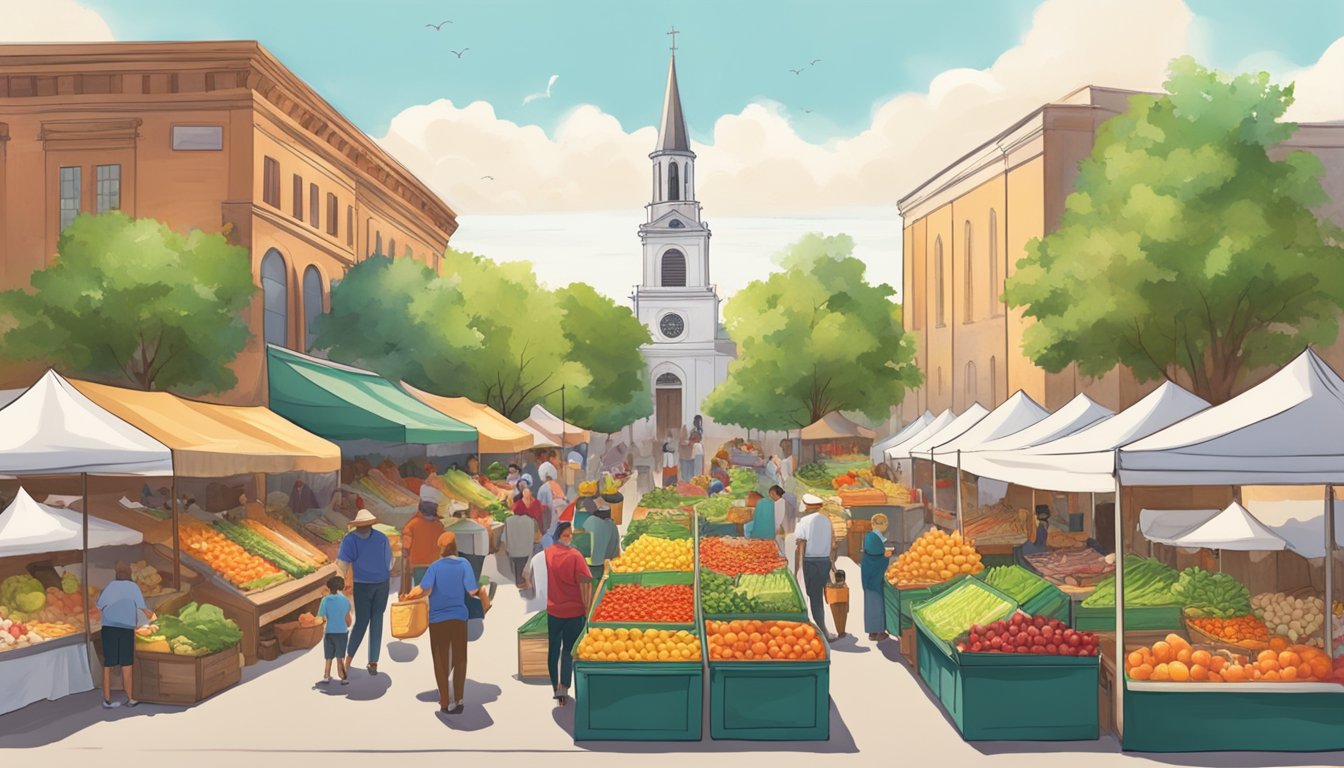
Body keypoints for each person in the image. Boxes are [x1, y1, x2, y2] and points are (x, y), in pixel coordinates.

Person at [402, 532, 481, 715]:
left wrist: (408, 596)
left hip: (438, 620)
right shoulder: (464, 564)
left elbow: (423, 589)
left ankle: (445, 701)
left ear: (441, 549)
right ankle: (459, 700)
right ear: (455, 547)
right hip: (459, 618)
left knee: (440, 660)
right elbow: (472, 591)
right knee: (460, 658)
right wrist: (482, 595)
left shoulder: (435, 567)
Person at [337, 509, 394, 676]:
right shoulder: (382, 538)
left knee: (361, 622)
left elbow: (342, 565)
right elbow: (389, 562)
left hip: (362, 586)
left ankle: (348, 661)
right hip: (382, 584)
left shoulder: (350, 540)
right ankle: (373, 662)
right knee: (377, 620)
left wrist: (338, 587)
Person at [545, 522, 592, 706]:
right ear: (559, 535)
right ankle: (564, 686)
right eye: (566, 535)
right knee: (568, 650)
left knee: (553, 649)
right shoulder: (575, 556)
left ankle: (555, 688)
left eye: (570, 534)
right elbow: (586, 581)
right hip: (574, 610)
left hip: (554, 609)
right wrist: (587, 608)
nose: (570, 537)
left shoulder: (548, 552)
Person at [96, 562, 155, 708]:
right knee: (126, 664)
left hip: (108, 628)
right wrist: (154, 618)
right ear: (129, 575)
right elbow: (143, 608)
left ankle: (107, 699)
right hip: (126, 628)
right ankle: (130, 698)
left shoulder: (110, 586)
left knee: (108, 664)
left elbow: (99, 606)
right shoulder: (133, 587)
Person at [794, 494, 836, 639]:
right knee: (818, 596)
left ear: (807, 506)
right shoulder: (827, 521)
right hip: (824, 561)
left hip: (810, 562)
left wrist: (797, 568)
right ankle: (821, 628)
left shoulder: (804, 521)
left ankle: (818, 631)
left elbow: (800, 544)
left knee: (809, 596)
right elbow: (832, 544)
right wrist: (833, 565)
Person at [862, 514, 894, 641]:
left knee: (870, 602)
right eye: (882, 523)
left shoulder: (871, 536)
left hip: (868, 574)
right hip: (874, 576)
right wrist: (885, 556)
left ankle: (872, 631)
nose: (884, 526)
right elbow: (875, 555)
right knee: (877, 602)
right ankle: (879, 631)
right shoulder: (874, 537)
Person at [317, 575, 353, 685]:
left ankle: (326, 676)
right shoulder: (345, 601)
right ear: (341, 588)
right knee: (340, 656)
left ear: (329, 588)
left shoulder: (324, 600)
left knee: (328, 656)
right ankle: (343, 677)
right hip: (341, 632)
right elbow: (348, 620)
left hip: (329, 632)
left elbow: (321, 617)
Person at [402, 499, 446, 583]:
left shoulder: (412, 524)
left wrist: (406, 554)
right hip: (435, 562)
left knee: (420, 588)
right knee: (433, 587)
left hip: (418, 563)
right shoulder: (439, 525)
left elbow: (406, 544)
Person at [583, 503, 621, 582]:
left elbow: (584, 539)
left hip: (590, 565)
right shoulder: (612, 525)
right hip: (606, 565)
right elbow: (615, 548)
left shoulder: (590, 520)